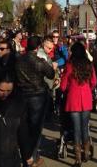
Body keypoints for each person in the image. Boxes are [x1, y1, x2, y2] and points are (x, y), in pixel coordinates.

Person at [15, 35, 56, 166]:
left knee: (23, 127)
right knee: (36, 128)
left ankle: (26, 154)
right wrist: (53, 67)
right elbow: (50, 73)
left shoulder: (19, 60)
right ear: (38, 47)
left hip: (22, 94)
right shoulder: (39, 61)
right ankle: (31, 156)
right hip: (37, 95)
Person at [60, 42, 97, 167]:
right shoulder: (89, 65)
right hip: (86, 98)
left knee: (76, 129)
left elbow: (63, 86)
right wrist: (87, 89)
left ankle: (78, 158)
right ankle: (86, 152)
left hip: (73, 99)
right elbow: (94, 82)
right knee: (85, 127)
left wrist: (68, 88)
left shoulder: (70, 66)